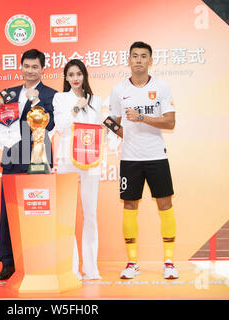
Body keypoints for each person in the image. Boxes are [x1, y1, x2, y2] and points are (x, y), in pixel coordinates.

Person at [109, 41, 178, 279]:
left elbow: (170, 122)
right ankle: (132, 263)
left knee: (165, 205)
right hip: (130, 159)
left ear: (150, 60)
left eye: (143, 56)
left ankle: (169, 261)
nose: (138, 60)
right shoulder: (119, 89)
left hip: (157, 155)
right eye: (134, 56)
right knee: (129, 206)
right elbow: (111, 121)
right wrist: (124, 134)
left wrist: (142, 117)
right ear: (128, 60)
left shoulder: (161, 86)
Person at [0, 49, 56, 280]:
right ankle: (7, 262)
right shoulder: (8, 94)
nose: (30, 70)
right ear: (21, 66)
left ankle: (39, 260)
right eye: (26, 66)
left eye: (35, 67)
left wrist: (35, 100)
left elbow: (50, 124)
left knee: (38, 209)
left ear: (42, 68)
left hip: (37, 160)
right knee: (8, 213)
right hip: (11, 159)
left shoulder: (50, 95)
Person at [53, 59, 103, 280]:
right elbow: (61, 126)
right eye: (71, 74)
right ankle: (71, 269)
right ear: (66, 77)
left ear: (84, 75)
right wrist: (75, 108)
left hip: (91, 161)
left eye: (79, 74)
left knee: (90, 214)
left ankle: (91, 268)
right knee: (67, 216)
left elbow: (98, 129)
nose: (75, 78)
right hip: (67, 159)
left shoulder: (97, 100)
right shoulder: (60, 98)